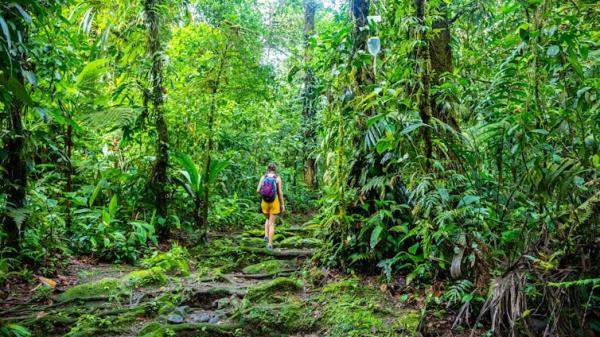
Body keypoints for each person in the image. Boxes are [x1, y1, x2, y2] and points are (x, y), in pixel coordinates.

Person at [256, 163, 285, 250]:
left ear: (267, 169)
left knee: (268, 219)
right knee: (272, 223)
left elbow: (257, 190)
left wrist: (265, 194)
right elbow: (280, 193)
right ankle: (270, 244)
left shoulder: (263, 177)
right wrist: (282, 205)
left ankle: (266, 235)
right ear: (275, 169)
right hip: (274, 202)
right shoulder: (277, 178)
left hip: (264, 202)